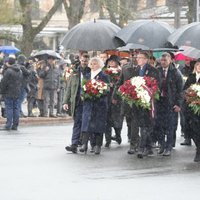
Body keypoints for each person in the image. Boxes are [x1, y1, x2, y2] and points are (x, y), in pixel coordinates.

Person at [154, 53, 183, 156]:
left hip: (171, 102)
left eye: (165, 60)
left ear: (170, 60)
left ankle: (168, 147)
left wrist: (178, 104)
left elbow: (180, 90)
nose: (163, 62)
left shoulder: (175, 72)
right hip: (159, 101)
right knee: (159, 125)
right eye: (161, 60)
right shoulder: (157, 71)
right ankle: (162, 144)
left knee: (170, 126)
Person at [79, 57, 110, 154]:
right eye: (91, 64)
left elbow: (107, 89)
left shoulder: (104, 76)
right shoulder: (87, 75)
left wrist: (98, 92)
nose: (93, 65)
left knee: (98, 125)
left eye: (95, 63)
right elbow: (82, 88)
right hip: (88, 103)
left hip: (99, 104)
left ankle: (97, 145)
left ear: (100, 65)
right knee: (86, 124)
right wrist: (83, 94)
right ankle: (84, 144)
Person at [133, 52, 159, 159]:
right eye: (137, 58)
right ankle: (149, 148)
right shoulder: (136, 70)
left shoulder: (153, 70)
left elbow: (156, 84)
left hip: (149, 101)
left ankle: (142, 147)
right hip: (139, 101)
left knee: (146, 125)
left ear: (146, 59)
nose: (138, 59)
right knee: (143, 125)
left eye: (140, 58)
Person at [63, 54, 90, 153]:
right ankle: (74, 144)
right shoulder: (75, 73)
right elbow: (69, 88)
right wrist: (65, 101)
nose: (84, 63)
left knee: (86, 123)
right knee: (77, 123)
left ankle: (83, 142)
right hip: (77, 101)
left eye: (86, 61)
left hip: (87, 101)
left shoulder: (91, 72)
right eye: (83, 61)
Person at [104, 55, 123, 148]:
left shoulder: (120, 72)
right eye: (110, 61)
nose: (111, 62)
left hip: (117, 98)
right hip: (106, 97)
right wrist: (108, 85)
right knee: (107, 119)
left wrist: (115, 85)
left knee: (116, 118)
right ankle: (107, 139)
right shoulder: (105, 72)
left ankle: (118, 135)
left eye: (113, 61)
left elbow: (122, 84)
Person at [183, 58, 200, 162]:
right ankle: (198, 147)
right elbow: (184, 89)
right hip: (192, 107)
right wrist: (189, 94)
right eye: (198, 65)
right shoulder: (191, 77)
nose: (199, 67)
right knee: (193, 129)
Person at [0, 57, 23, 130]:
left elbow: (4, 83)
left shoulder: (8, 71)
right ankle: (15, 125)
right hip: (17, 92)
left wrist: (2, 91)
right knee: (16, 108)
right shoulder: (19, 71)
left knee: (9, 108)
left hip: (8, 92)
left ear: (8, 63)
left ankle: (8, 124)